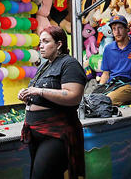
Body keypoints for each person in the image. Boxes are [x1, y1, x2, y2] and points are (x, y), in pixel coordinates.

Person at [18, 26, 86, 179]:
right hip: (36, 131)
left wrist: (39, 91)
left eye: (46, 41)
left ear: (59, 44)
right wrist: (27, 97)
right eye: (40, 42)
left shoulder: (69, 64)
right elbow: (42, 99)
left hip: (57, 133)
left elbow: (73, 96)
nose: (40, 46)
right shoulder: (44, 66)